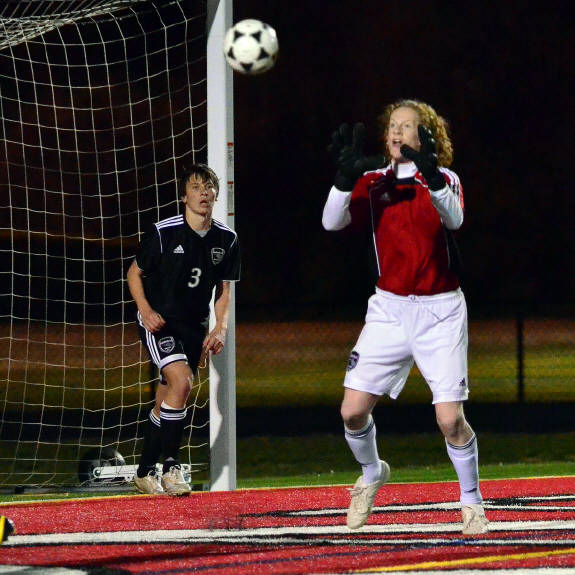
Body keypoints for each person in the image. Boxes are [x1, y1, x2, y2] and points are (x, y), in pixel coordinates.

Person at [322, 99, 488, 535]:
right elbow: (330, 222)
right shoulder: (372, 181)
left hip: (441, 311)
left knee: (450, 420)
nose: (397, 132)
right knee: (352, 412)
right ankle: (372, 473)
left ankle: (471, 502)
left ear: (425, 135)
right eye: (393, 125)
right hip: (389, 310)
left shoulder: (444, 178)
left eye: (407, 126)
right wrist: (343, 180)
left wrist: (432, 177)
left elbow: (455, 218)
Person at [127, 163, 240, 495]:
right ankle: (171, 468)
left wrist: (220, 328)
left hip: (194, 327)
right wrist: (145, 310)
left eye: (208, 187)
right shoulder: (164, 232)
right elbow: (134, 273)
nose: (203, 193)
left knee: (168, 398)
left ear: (216, 194)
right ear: (183, 196)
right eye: (195, 187)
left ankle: (143, 472)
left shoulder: (227, 239)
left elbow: (224, 290)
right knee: (182, 381)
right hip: (160, 323)